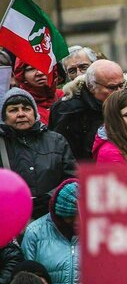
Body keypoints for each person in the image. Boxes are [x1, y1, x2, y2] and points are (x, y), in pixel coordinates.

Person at [0, 88, 75, 220]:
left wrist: (51, 197)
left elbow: (73, 178)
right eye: (13, 110)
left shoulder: (56, 140)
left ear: (35, 113)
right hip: (10, 219)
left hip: (53, 216)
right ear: (3, 117)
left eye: (26, 109)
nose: (21, 114)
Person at [49, 60, 127, 162]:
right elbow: (64, 155)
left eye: (122, 85)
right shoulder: (70, 111)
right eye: (112, 87)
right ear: (91, 86)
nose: (119, 92)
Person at [21, 179, 79, 284]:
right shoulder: (35, 233)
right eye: (73, 216)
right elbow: (25, 282)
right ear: (61, 213)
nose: (79, 221)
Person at [12, 60, 63, 126]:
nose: (40, 72)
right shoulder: (17, 102)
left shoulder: (64, 96)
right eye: (31, 69)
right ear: (22, 76)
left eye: (44, 66)